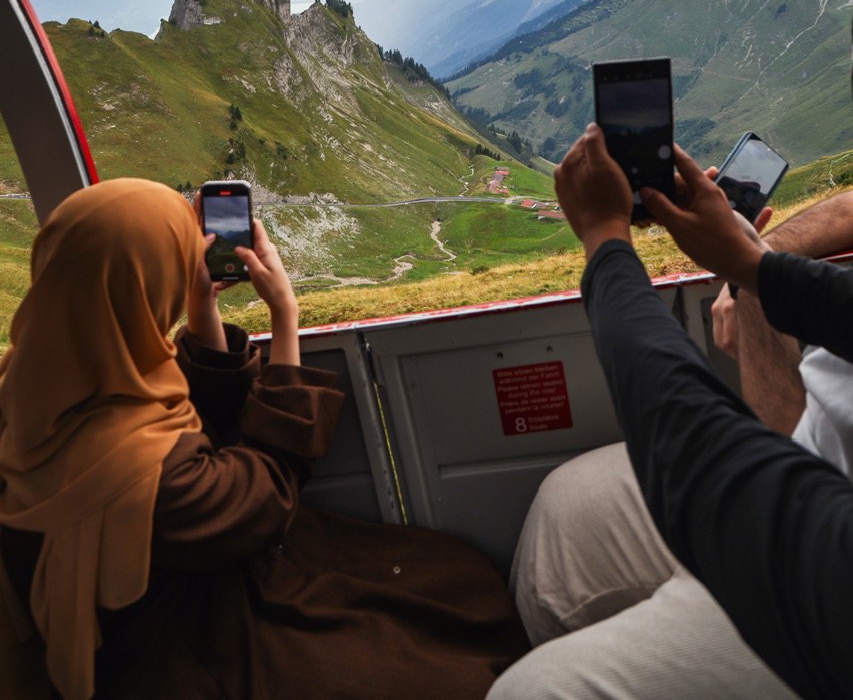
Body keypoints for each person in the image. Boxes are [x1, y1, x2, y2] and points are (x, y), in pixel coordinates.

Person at [0, 178, 528, 700]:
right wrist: (285, 317)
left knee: (455, 585)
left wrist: (201, 306)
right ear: (143, 286)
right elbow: (264, 490)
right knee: (452, 639)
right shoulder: (144, 475)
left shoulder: (39, 378)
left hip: (188, 594)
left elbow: (165, 404)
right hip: (193, 641)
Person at [492, 125, 853, 700]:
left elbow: (699, 461)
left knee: (532, 692)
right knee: (563, 509)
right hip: (809, 452)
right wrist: (753, 261)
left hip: (825, 580)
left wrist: (607, 244)